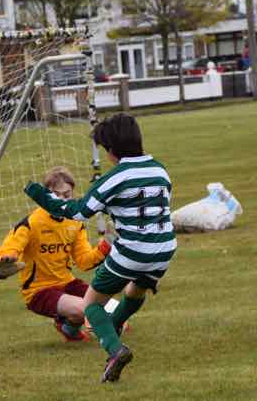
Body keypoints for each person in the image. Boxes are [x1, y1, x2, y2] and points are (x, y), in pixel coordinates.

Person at [24, 113, 176, 383]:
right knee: (135, 290)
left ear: (111, 150)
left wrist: (40, 194)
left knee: (91, 304)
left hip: (132, 250)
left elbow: (78, 211)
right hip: (165, 248)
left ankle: (116, 351)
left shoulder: (114, 177)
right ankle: (114, 325)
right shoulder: (160, 170)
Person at [0, 166, 113, 341]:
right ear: (45, 196)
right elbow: (9, 248)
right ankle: (106, 342)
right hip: (39, 291)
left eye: (67, 195)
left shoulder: (75, 223)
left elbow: (84, 261)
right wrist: (3, 264)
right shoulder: (32, 223)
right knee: (87, 309)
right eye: (57, 195)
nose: (62, 200)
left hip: (67, 283)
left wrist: (107, 245)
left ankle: (68, 327)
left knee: (114, 310)